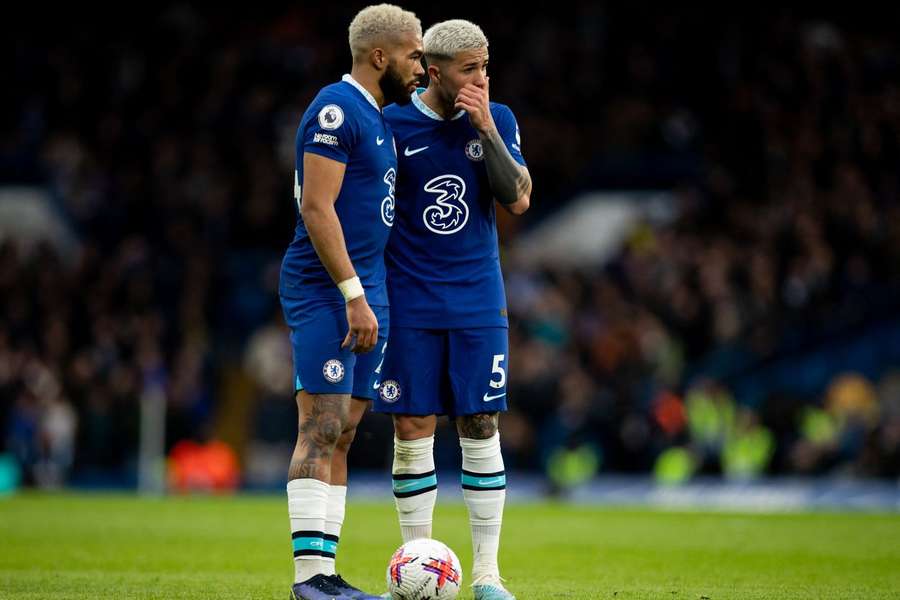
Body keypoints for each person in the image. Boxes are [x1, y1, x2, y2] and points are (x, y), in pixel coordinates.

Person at [375, 18, 531, 600]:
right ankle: (413, 571)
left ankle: (488, 576)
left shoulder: (499, 118)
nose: (482, 78)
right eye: (471, 69)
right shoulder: (390, 125)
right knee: (412, 426)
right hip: (409, 299)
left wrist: (486, 126)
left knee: (479, 422)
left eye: (486, 67)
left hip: (476, 299)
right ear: (434, 72)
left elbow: (517, 198)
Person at [278, 5, 424, 599]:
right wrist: (352, 295)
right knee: (321, 424)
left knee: (345, 431)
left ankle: (327, 574)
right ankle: (307, 579)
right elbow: (317, 208)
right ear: (379, 56)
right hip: (328, 290)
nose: (422, 66)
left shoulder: (380, 119)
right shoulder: (335, 111)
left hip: (369, 290)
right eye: (414, 55)